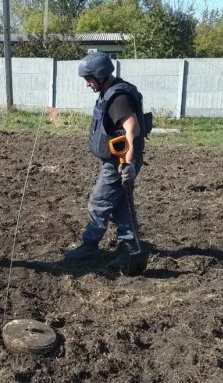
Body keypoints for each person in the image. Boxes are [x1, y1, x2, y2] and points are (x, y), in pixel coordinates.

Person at [64, 51, 149, 273]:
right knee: (120, 206)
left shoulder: (118, 98)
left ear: (101, 75)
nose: (86, 84)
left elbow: (132, 129)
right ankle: (130, 249)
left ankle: (90, 246)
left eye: (89, 79)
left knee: (98, 203)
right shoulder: (110, 92)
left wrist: (128, 164)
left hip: (118, 163)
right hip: (116, 160)